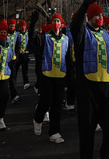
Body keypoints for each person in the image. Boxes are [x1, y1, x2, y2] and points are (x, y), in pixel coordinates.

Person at [69, 0, 109, 159]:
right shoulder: (83, 32)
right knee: (87, 130)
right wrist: (85, 6)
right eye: (96, 16)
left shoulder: (106, 34)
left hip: (108, 87)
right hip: (88, 89)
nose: (100, 18)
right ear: (89, 18)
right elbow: (75, 26)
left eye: (101, 15)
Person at [30, 11, 71, 144]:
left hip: (60, 76)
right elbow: (33, 38)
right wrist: (32, 23)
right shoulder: (45, 37)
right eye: (54, 21)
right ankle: (38, 118)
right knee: (45, 101)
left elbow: (68, 59)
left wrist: (70, 77)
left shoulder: (66, 39)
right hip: (46, 76)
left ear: (61, 24)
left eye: (58, 21)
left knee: (57, 105)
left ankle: (54, 132)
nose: (56, 23)